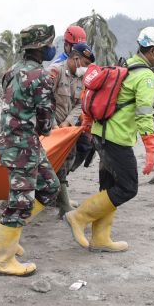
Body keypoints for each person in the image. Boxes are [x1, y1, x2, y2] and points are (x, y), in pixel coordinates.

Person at [65, 26, 154, 252]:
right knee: (127, 188)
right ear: (152, 51)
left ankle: (101, 238)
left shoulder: (124, 66)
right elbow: (144, 115)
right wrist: (150, 151)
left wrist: (87, 124)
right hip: (116, 139)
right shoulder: (146, 76)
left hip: (100, 135)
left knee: (109, 186)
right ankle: (79, 216)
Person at [0, 24, 60, 277]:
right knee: (21, 201)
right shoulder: (41, 77)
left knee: (50, 186)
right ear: (41, 47)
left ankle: (10, 230)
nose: (51, 48)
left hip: (18, 142)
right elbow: (45, 119)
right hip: (22, 146)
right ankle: (3, 260)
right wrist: (43, 128)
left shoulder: (11, 71)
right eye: (49, 44)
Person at [47, 42, 95, 217]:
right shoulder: (55, 71)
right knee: (52, 165)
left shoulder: (83, 79)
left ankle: (58, 198)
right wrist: (52, 123)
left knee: (68, 159)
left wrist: (67, 122)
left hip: (65, 129)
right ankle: (63, 204)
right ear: (76, 59)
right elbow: (44, 99)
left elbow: (79, 105)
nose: (87, 69)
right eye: (86, 64)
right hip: (47, 127)